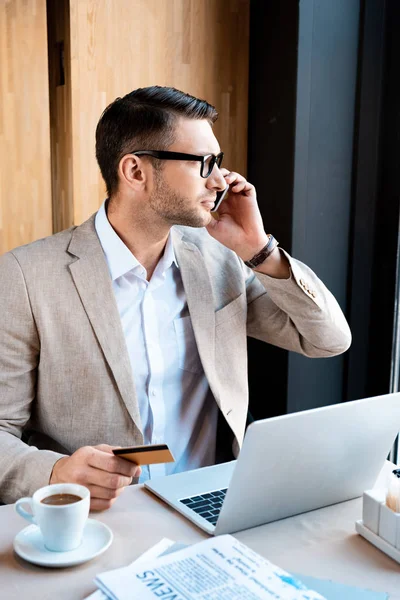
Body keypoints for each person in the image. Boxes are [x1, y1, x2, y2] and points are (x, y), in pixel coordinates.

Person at [0, 86, 351, 510]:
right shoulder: (25, 276)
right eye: (204, 163)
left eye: (218, 163)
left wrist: (260, 250)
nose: (221, 180)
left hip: (215, 505)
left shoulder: (220, 260)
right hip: (97, 521)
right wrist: (55, 473)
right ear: (135, 172)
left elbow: (327, 339)